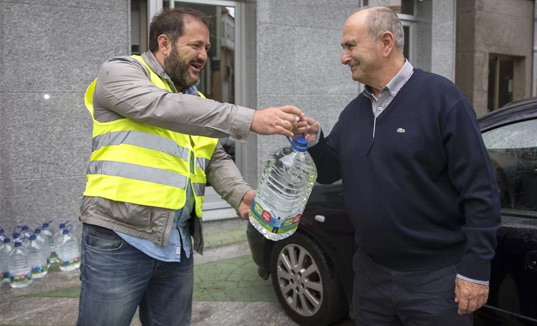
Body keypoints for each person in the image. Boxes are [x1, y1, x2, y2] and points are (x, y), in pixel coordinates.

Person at [77, 8, 303, 326]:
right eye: (195, 45)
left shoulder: (192, 98)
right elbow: (160, 107)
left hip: (176, 243)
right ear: (165, 43)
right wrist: (250, 118)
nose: (203, 55)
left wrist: (240, 194)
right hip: (119, 238)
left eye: (207, 48)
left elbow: (212, 156)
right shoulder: (121, 73)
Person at [298, 7, 500, 325]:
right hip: (370, 277)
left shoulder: (443, 99)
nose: (344, 57)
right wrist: (314, 140)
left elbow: (480, 189)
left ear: (386, 42)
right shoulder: (354, 113)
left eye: (350, 46)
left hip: (435, 282)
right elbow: (330, 171)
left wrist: (475, 270)